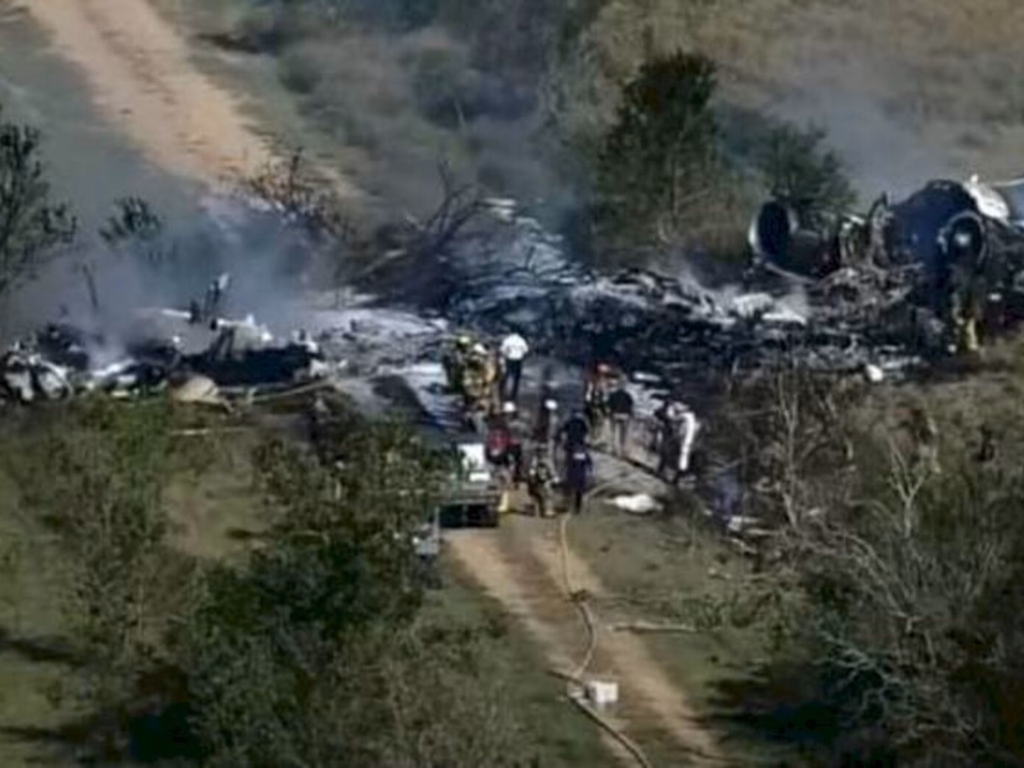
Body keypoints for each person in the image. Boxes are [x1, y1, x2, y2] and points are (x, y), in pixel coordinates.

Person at [606, 381, 635, 459]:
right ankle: (622, 450)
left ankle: (614, 450)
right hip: (625, 415)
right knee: (623, 434)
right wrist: (630, 414)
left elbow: (608, 404)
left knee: (614, 432)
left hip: (615, 414)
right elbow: (631, 405)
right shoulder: (627, 396)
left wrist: (610, 412)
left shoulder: (613, 395)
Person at [499, 330, 529, 403]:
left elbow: (502, 350)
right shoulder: (521, 340)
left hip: (509, 359)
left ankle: (502, 392)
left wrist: (507, 354)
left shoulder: (508, 339)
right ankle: (513, 395)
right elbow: (526, 350)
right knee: (516, 378)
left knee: (506, 376)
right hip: (518, 360)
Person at [526, 447, 556, 518]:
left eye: (543, 452)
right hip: (536, 482)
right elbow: (531, 470)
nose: (542, 453)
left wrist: (553, 479)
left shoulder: (549, 461)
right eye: (540, 452)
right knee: (536, 495)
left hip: (545, 481)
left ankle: (547, 510)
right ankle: (535, 508)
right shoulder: (534, 460)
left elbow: (552, 472)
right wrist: (532, 476)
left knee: (548, 494)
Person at [563, 444, 593, 514]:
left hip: (575, 475)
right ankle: (575, 507)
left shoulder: (573, 454)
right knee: (578, 493)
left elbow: (566, 464)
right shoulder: (584, 454)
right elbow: (590, 464)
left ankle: (574, 507)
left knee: (575, 492)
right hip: (579, 476)